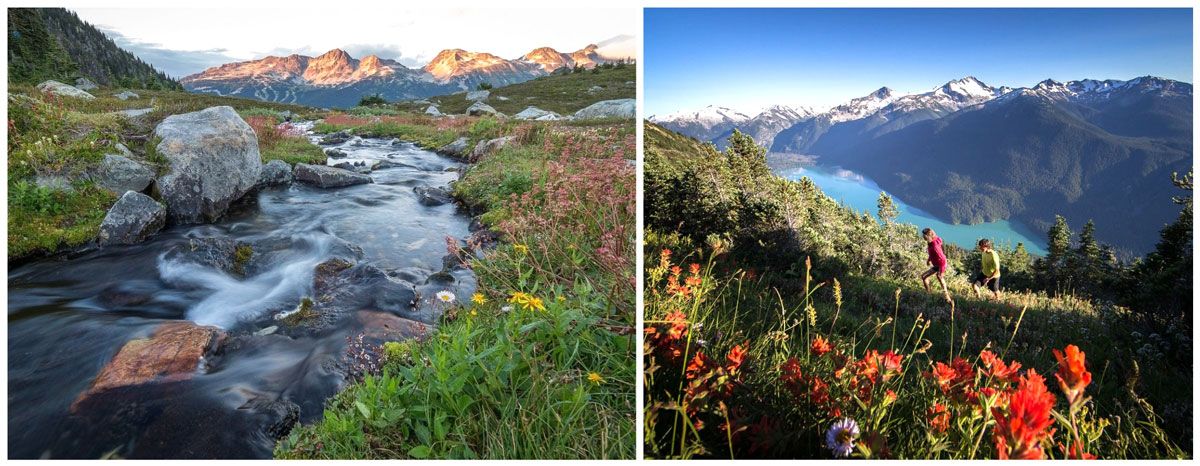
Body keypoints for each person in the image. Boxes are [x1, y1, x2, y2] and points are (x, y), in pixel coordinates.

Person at [920, 228, 949, 298]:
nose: (923, 237)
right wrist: (928, 260)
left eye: (924, 235)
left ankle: (946, 294)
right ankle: (929, 293)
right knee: (924, 276)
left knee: (939, 276)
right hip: (937, 264)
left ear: (928, 236)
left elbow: (942, 259)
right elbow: (932, 254)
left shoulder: (934, 246)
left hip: (941, 264)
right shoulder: (932, 241)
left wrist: (941, 271)